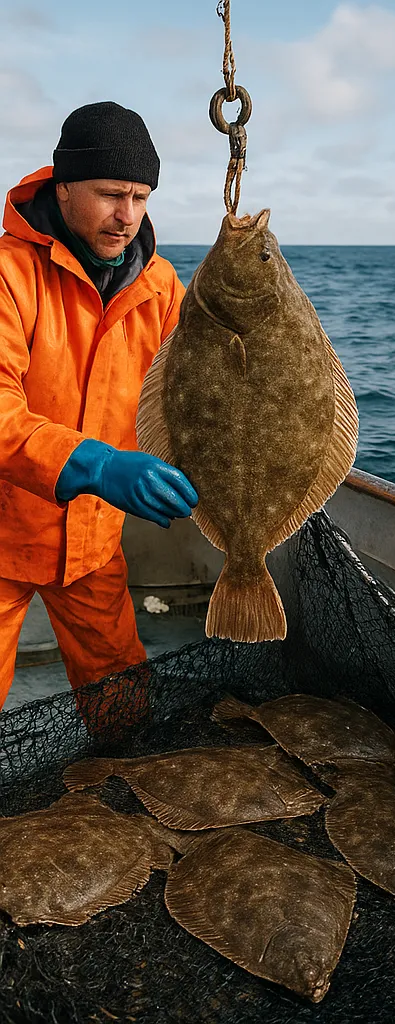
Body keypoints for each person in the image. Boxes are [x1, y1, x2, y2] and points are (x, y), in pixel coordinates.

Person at [0, 101, 198, 718]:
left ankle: (125, 789)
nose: (127, 216)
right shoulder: (8, 273)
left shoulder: (162, 285)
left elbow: (195, 387)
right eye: (111, 194)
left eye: (140, 197)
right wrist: (97, 464)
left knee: (121, 693)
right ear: (62, 189)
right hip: (2, 532)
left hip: (92, 539)